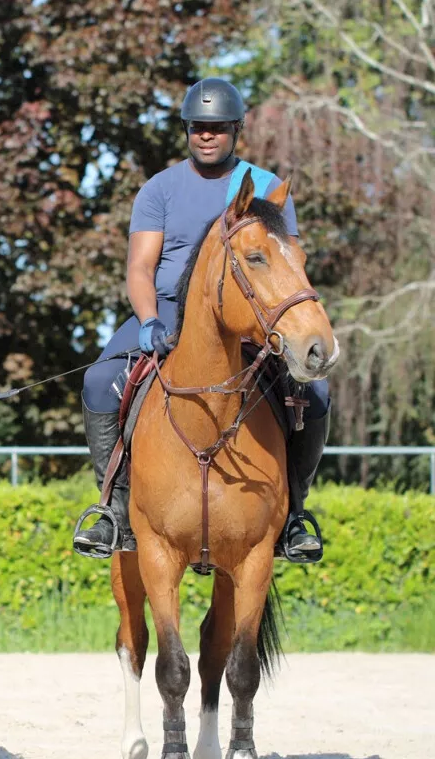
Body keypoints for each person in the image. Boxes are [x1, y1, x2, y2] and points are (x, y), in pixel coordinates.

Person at [72, 78, 331, 562]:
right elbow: (140, 267)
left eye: (216, 128)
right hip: (169, 308)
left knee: (315, 392)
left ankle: (295, 513)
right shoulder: (159, 189)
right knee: (99, 379)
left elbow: (285, 261)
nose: (206, 136)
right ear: (187, 131)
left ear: (236, 129)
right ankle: (113, 509)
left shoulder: (268, 190)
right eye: (197, 128)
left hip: (250, 312)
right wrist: (148, 320)